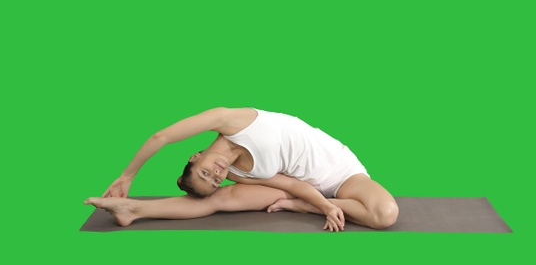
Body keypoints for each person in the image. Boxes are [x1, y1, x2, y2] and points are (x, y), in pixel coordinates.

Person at [84, 107, 399, 231]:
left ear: (195, 156)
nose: (217, 174)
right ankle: (133, 210)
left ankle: (302, 209)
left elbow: (161, 136)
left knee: (385, 213)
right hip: (299, 187)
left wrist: (128, 175)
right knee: (220, 201)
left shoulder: (229, 119)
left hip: (340, 171)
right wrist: (325, 205)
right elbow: (292, 184)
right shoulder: (235, 174)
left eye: (206, 172)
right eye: (215, 179)